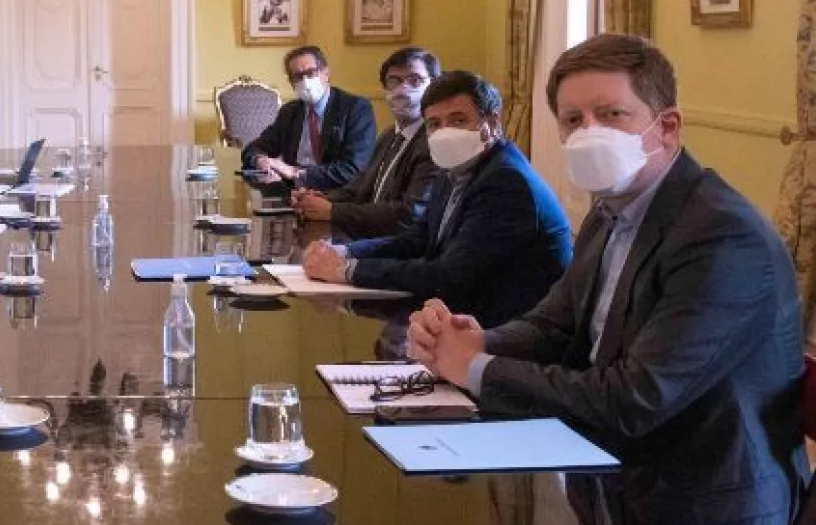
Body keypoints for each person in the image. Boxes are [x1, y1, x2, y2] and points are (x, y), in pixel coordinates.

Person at [400, 33, 816, 525]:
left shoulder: (720, 236)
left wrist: (474, 369)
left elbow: (633, 399)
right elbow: (555, 324)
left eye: (611, 114)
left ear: (667, 126)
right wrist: (477, 338)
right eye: (572, 120)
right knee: (425, 515)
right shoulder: (617, 208)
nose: (588, 133)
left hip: (691, 519)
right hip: (624, 471)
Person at [302, 71, 572, 328]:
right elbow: (419, 238)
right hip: (464, 318)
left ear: (491, 125)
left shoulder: (506, 181)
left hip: (508, 334)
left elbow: (448, 276)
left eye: (458, 120)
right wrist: (346, 252)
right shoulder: (453, 169)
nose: (445, 132)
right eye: (434, 124)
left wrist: (347, 270)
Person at [292, 46, 441, 239]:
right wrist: (318, 200)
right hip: (366, 236)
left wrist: (332, 211)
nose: (403, 89)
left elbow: (410, 214)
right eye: (394, 81)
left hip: (400, 246)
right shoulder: (389, 135)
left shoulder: (434, 142)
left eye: (415, 80)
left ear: (434, 86)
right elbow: (360, 187)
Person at [241, 45, 377, 191]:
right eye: (298, 76)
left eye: (311, 73)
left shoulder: (355, 108)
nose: (305, 81)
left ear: (326, 73)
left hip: (338, 193)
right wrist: (261, 160)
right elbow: (253, 148)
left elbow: (354, 168)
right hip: (293, 192)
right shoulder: (290, 112)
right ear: (291, 83)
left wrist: (296, 173)